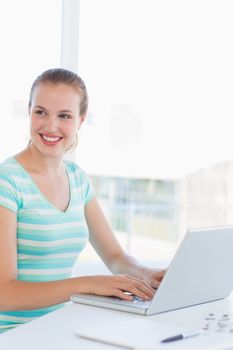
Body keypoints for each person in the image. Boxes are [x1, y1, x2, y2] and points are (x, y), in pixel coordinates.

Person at [0, 68, 166, 333]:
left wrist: (147, 274)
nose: (50, 126)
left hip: (59, 330)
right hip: (13, 337)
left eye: (64, 115)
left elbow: (114, 256)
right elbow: (4, 294)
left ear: (80, 119)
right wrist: (87, 284)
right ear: (29, 111)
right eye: (40, 112)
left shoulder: (77, 179)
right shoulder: (7, 182)